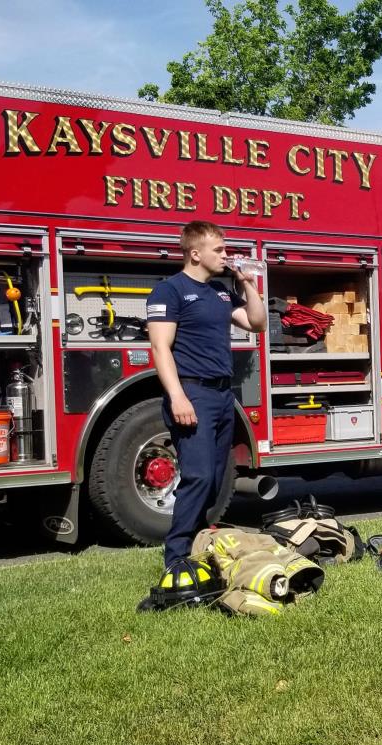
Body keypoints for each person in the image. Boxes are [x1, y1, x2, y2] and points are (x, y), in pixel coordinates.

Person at [147, 221, 266, 586]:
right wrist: (178, 395)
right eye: (219, 250)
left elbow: (257, 322)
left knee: (214, 481)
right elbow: (160, 348)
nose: (226, 255)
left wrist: (248, 283)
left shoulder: (219, 292)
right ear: (195, 254)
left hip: (222, 395)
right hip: (192, 392)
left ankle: (200, 550)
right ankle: (176, 560)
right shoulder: (169, 291)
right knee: (197, 476)